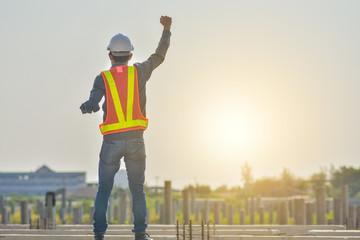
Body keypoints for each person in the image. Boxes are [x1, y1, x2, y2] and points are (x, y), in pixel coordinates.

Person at [80, 16, 172, 240]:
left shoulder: (102, 79)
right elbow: (159, 56)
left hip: (111, 142)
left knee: (104, 189)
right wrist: (167, 30)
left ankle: (99, 234)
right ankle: (140, 234)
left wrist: (85, 107)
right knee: (137, 189)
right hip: (135, 141)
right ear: (131, 55)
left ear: (109, 54)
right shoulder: (139, 72)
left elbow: (93, 105)